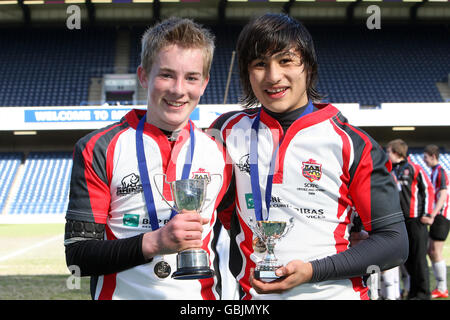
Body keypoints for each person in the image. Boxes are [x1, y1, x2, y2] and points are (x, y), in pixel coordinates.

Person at [209, 13, 408, 300]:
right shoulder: (226, 132)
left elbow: (394, 242)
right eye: (259, 64)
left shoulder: (352, 143)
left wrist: (313, 270)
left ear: (309, 67)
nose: (273, 76)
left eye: (285, 60)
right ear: (246, 72)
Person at [64, 17, 233, 300]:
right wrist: (155, 242)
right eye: (166, 74)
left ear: (204, 83)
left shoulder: (220, 151)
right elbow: (78, 258)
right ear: (143, 76)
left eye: (191, 77)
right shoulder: (97, 147)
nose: (179, 90)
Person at [386, 139, 434, 300]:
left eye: (388, 151)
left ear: (396, 152)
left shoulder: (415, 168)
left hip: (417, 220)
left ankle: (423, 293)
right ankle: (413, 292)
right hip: (400, 221)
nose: (387, 154)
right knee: (408, 260)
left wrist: (427, 214)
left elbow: (428, 190)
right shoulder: (392, 171)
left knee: (419, 258)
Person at [423, 144, 449, 299]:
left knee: (434, 251)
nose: (424, 161)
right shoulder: (434, 171)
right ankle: (441, 287)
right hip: (438, 216)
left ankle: (442, 288)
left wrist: (433, 214)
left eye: (426, 157)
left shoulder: (440, 171)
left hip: (441, 216)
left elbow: (444, 194)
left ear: (433, 156)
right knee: (431, 251)